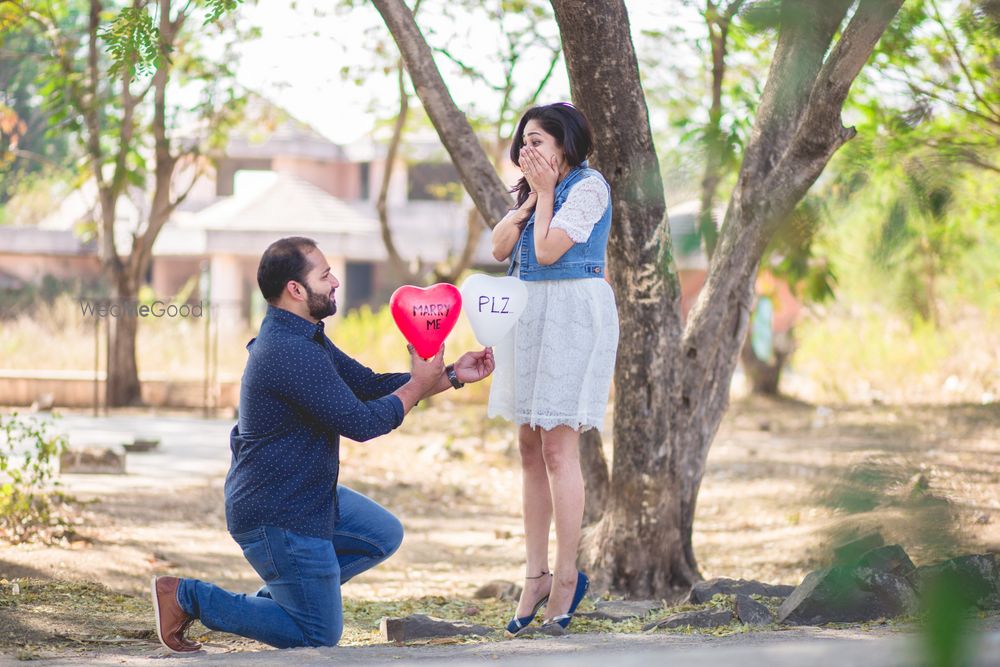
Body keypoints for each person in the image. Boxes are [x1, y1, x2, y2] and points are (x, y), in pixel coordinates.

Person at [150, 236, 495, 652]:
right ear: (295, 289)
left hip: (306, 498)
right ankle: (186, 596)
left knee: (380, 533)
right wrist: (420, 383)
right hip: (278, 513)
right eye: (325, 274)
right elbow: (362, 422)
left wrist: (451, 375)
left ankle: (290, 600)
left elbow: (367, 387)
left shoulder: (306, 337)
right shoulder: (287, 351)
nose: (335, 282)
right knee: (317, 634)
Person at [488, 102, 619, 636]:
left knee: (558, 447)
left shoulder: (589, 188)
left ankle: (566, 576)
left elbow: (545, 252)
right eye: (524, 141)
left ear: (565, 145)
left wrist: (542, 197)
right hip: (530, 315)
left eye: (538, 140)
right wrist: (527, 202)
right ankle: (534, 574)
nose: (528, 150)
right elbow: (499, 248)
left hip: (570, 314)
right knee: (527, 444)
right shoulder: (528, 195)